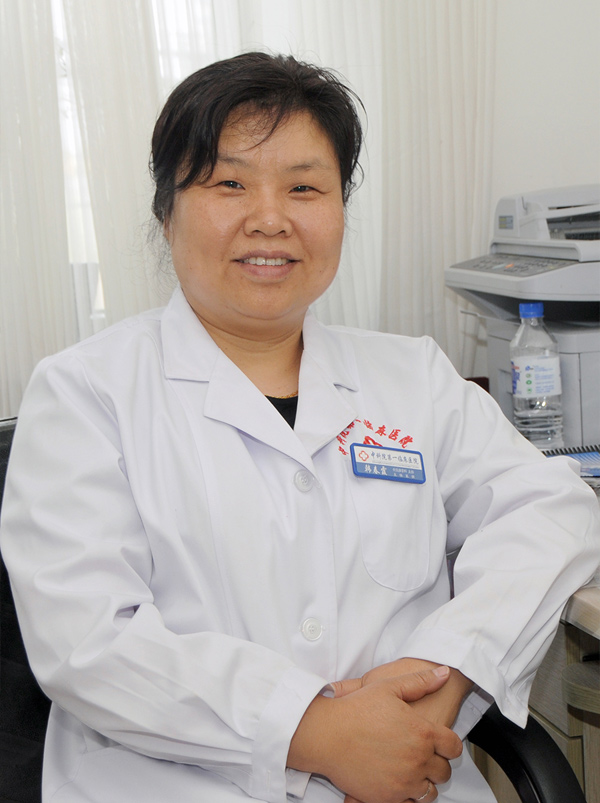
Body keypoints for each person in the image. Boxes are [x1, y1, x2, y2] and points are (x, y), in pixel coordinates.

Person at [1, 51, 598, 803]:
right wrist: (312, 730)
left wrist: (447, 678)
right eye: (228, 183)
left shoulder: (411, 376)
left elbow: (550, 507)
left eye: (305, 187)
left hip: (413, 776)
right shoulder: (85, 393)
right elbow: (90, 641)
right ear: (166, 211)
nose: (270, 218)